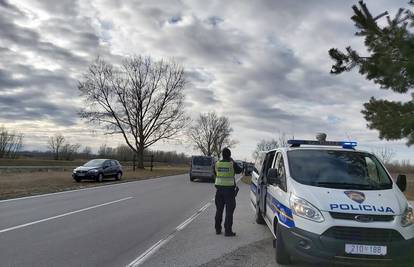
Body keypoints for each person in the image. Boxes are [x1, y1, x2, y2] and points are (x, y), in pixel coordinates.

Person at [214, 148, 243, 237]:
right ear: (230, 155)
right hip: (229, 191)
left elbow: (215, 173)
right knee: (229, 211)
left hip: (219, 191)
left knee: (219, 210)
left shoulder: (217, 163)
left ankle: (218, 229)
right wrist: (233, 161)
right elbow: (239, 170)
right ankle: (228, 231)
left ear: (222, 154)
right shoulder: (232, 164)